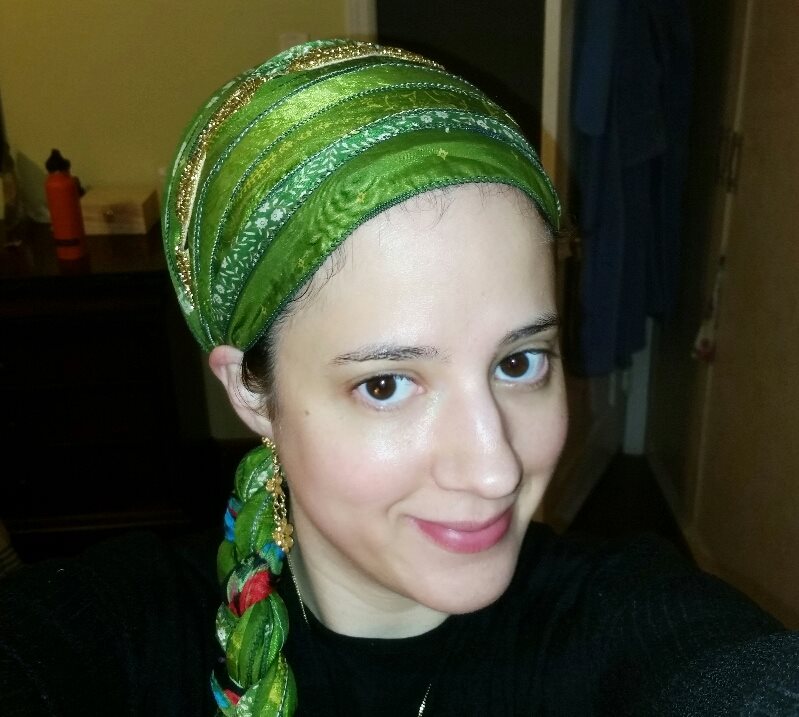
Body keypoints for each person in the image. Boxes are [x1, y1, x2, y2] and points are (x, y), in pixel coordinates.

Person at [1, 39, 797, 716]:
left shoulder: (611, 620)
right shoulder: (127, 631)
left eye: (518, 362)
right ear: (251, 391)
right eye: (385, 383)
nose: (493, 467)